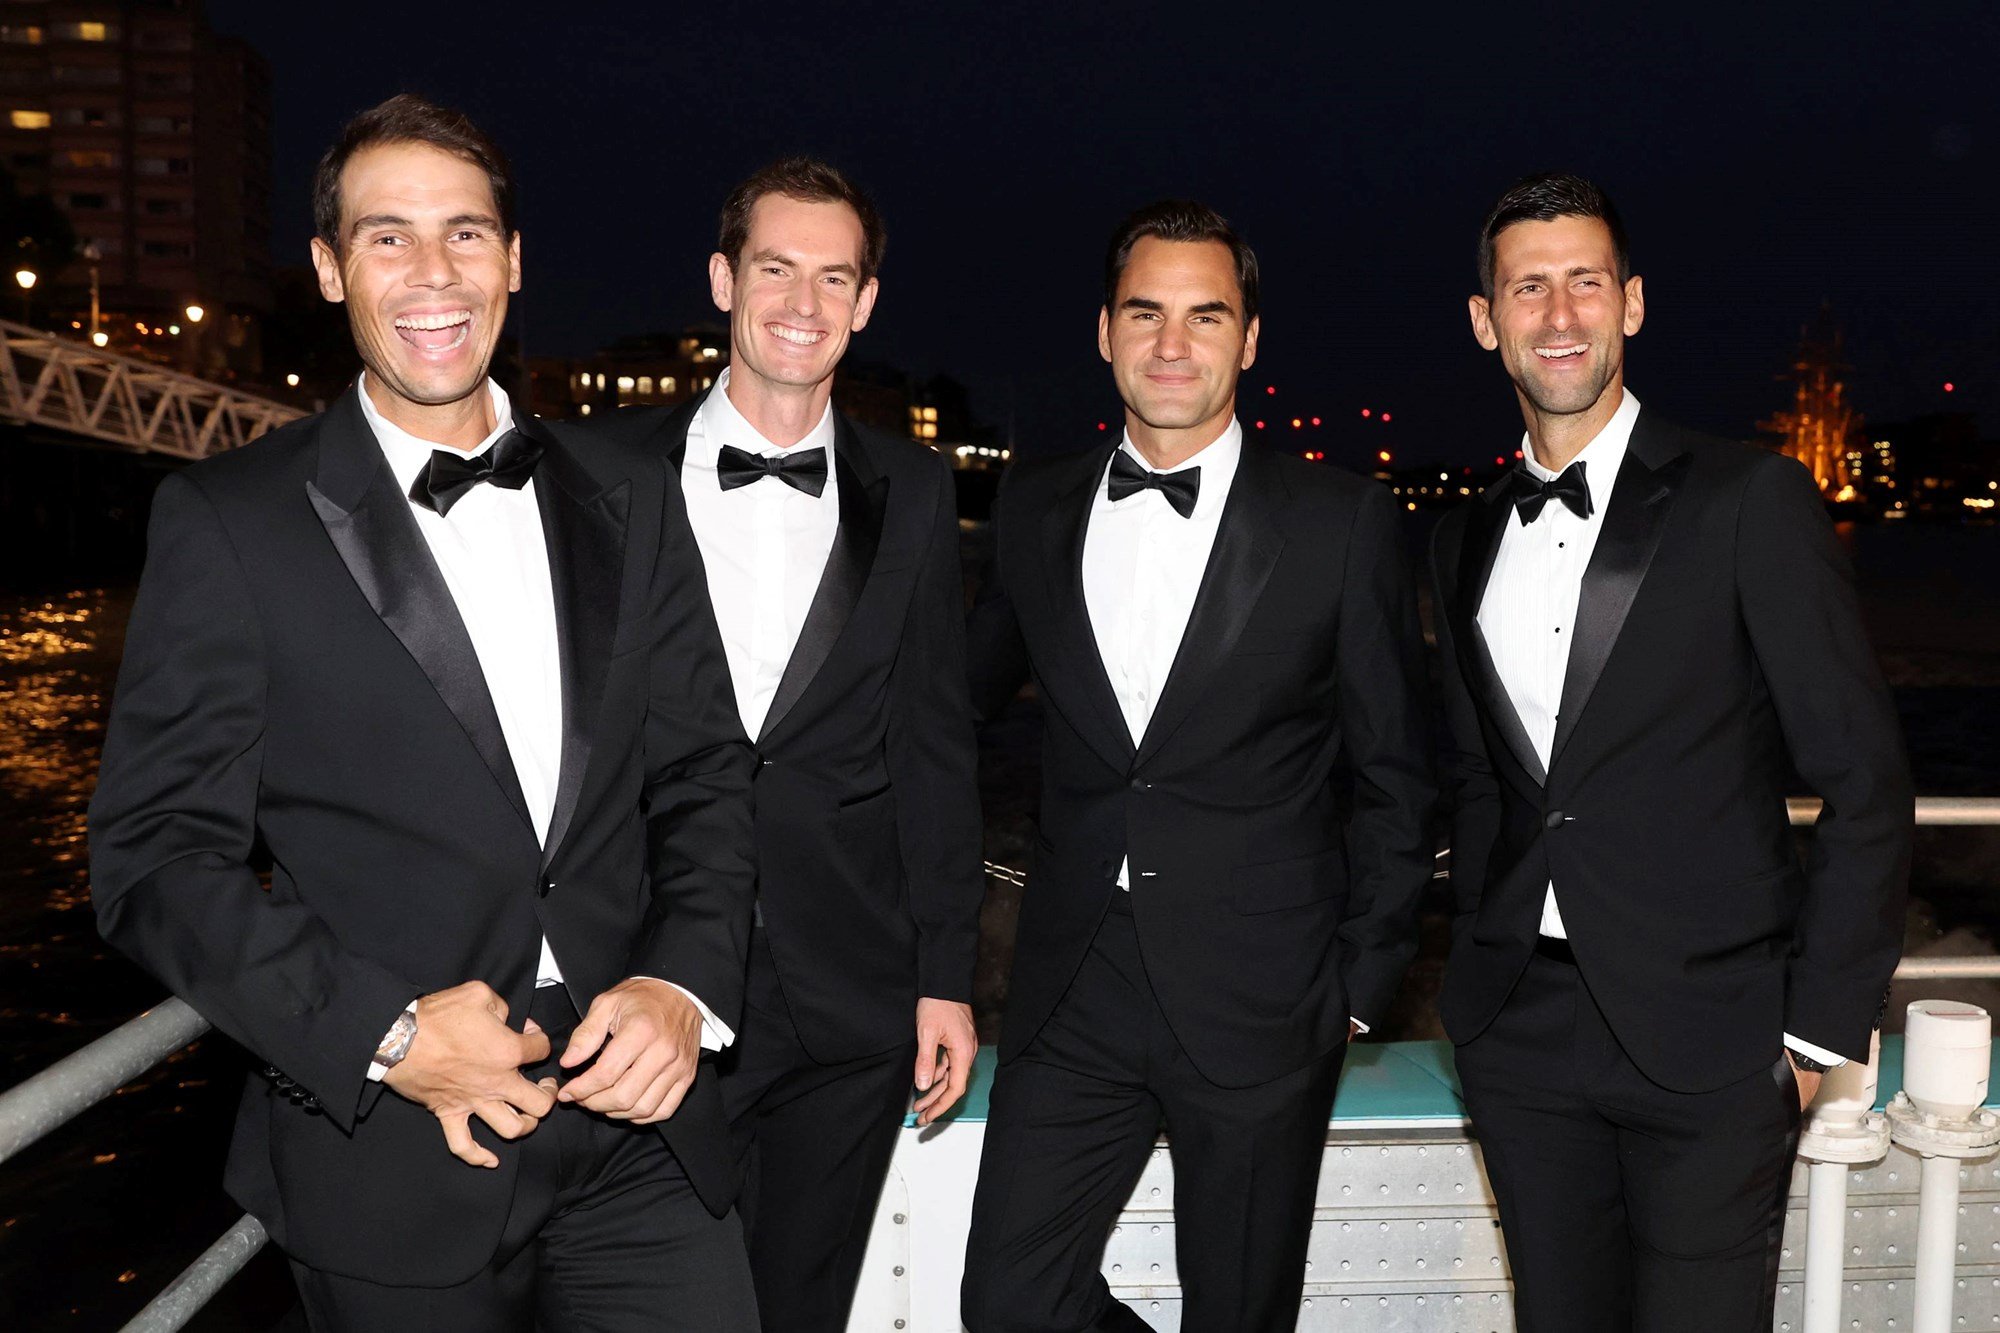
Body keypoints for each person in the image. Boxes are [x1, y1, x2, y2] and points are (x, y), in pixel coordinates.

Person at [87, 94, 760, 1330]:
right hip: (395, 1157)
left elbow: (706, 775)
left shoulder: (630, 496)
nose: (432, 272)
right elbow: (154, 860)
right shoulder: (228, 522)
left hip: (644, 1138)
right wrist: (387, 1034)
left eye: (464, 232)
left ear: (512, 259)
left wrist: (682, 983)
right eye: (386, 236)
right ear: (329, 270)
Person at [1433, 171, 1912, 1331]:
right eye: (1527, 287)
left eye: (1584, 283)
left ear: (1631, 304)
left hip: (1712, 1047)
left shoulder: (1748, 499)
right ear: (1483, 321)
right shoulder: (1457, 537)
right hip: (1519, 1039)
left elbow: (1863, 781)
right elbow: (1472, 786)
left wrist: (1810, 1039)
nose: (1558, 315)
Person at [959, 199, 1436, 1331]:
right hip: (1073, 983)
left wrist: (1358, 992)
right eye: (1145, 312)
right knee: (1008, 1302)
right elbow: (949, 713)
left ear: (1249, 339)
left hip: (1265, 997)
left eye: (1204, 315)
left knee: (1238, 1309)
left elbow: (1396, 774)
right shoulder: (1034, 510)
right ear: (1103, 331)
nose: (1172, 344)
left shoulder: (1341, 523)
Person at [617, 157, 984, 1330]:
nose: (803, 301)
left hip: (851, 989)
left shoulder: (916, 491)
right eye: (775, 268)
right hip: (647, 976)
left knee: (801, 1304)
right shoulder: (597, 471)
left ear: (867, 301)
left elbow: (934, 743)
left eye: (835, 277)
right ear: (723, 279)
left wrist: (945, 978)